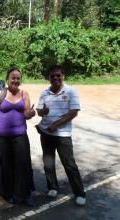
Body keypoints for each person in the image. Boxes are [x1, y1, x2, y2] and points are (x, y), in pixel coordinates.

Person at [36, 65, 86, 206]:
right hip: (46, 134)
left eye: (58, 75)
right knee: (48, 162)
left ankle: (80, 193)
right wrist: (42, 111)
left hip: (63, 135)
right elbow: (40, 111)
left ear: (63, 76)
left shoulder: (71, 91)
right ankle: (52, 187)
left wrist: (55, 125)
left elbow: (73, 112)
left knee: (69, 164)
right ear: (49, 78)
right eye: (52, 76)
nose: (55, 78)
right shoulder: (44, 93)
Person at [0, 67, 36, 205]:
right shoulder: (0, 94)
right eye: (13, 77)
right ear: (7, 79)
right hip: (2, 137)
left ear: (20, 80)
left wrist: (31, 113)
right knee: (6, 167)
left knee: (23, 165)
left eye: (18, 78)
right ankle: (9, 194)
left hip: (20, 136)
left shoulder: (24, 94)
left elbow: (26, 114)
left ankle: (25, 195)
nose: (15, 80)